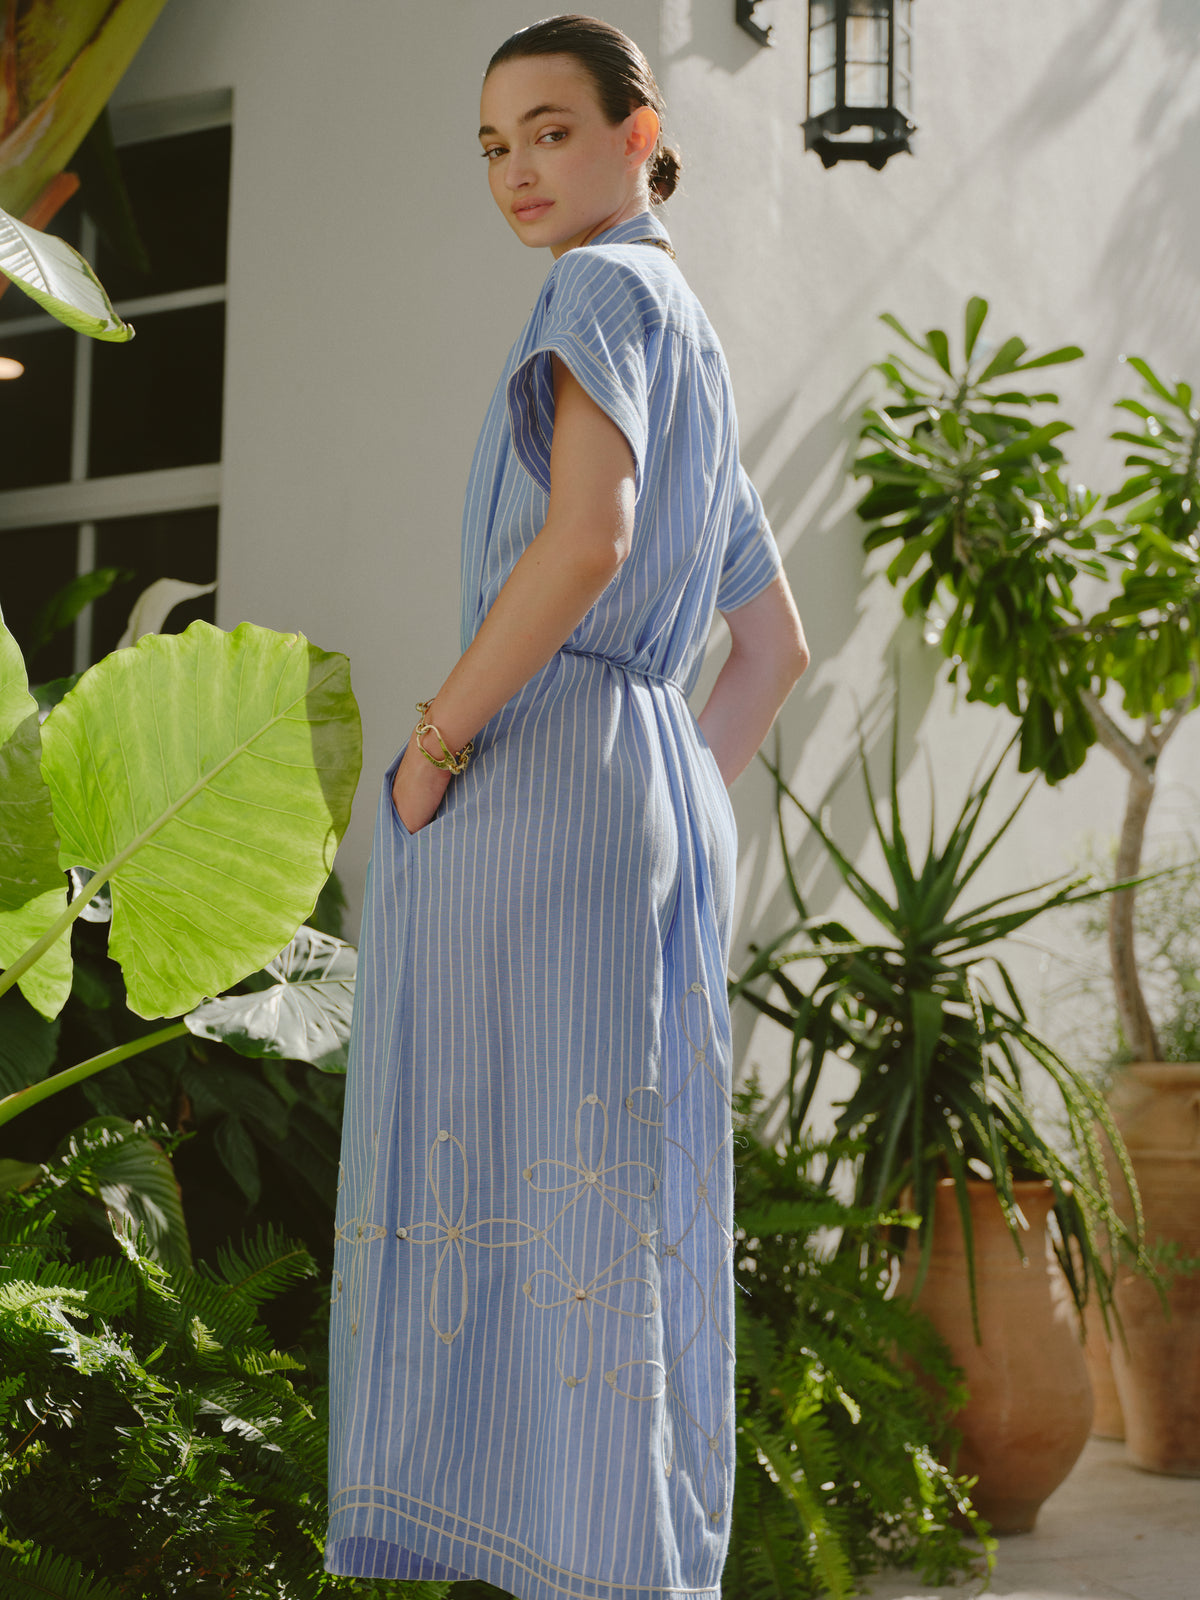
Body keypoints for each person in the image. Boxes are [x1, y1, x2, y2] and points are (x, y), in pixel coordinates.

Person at [325, 14, 808, 1600]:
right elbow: (773, 651)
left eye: (548, 130)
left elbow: (587, 541)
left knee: (506, 1186)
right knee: (607, 1213)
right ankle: (623, 1556)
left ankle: (556, 1555)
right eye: (492, 146)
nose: (516, 171)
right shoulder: (691, 333)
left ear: (637, 132)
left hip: (533, 779)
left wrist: (436, 742)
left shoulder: (599, 293)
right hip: (636, 789)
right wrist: (668, 805)